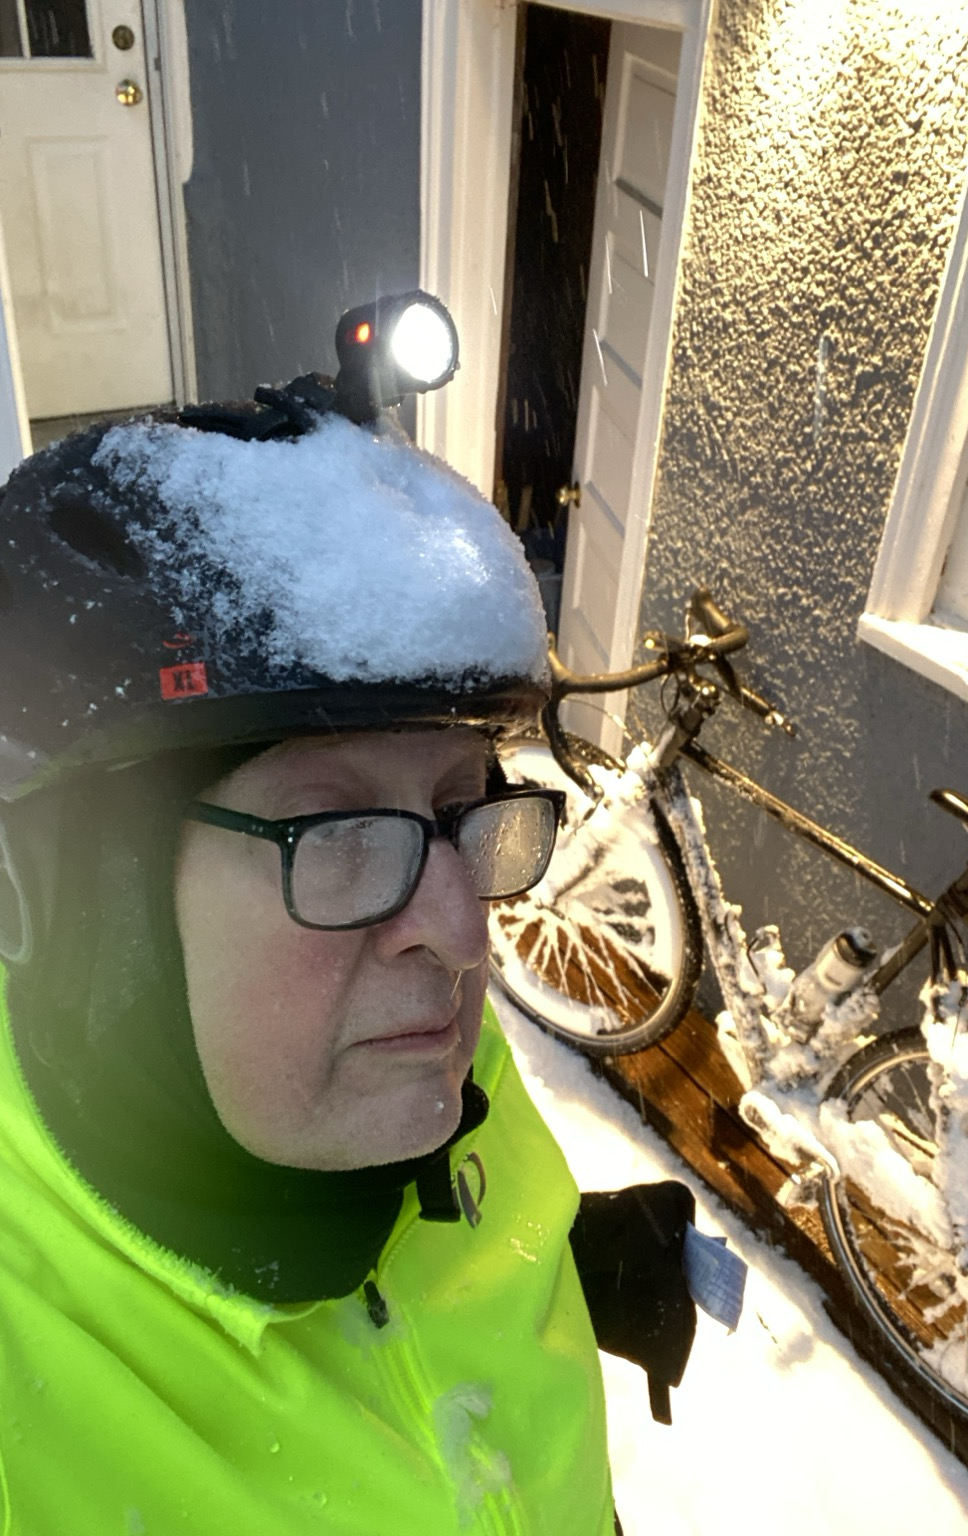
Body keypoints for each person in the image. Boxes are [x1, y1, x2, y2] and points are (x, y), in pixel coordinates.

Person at [0, 370, 699, 1533]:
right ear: (85, 908)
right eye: (336, 836)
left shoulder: (438, 1074)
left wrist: (571, 1261)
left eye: (463, 810)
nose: (464, 933)